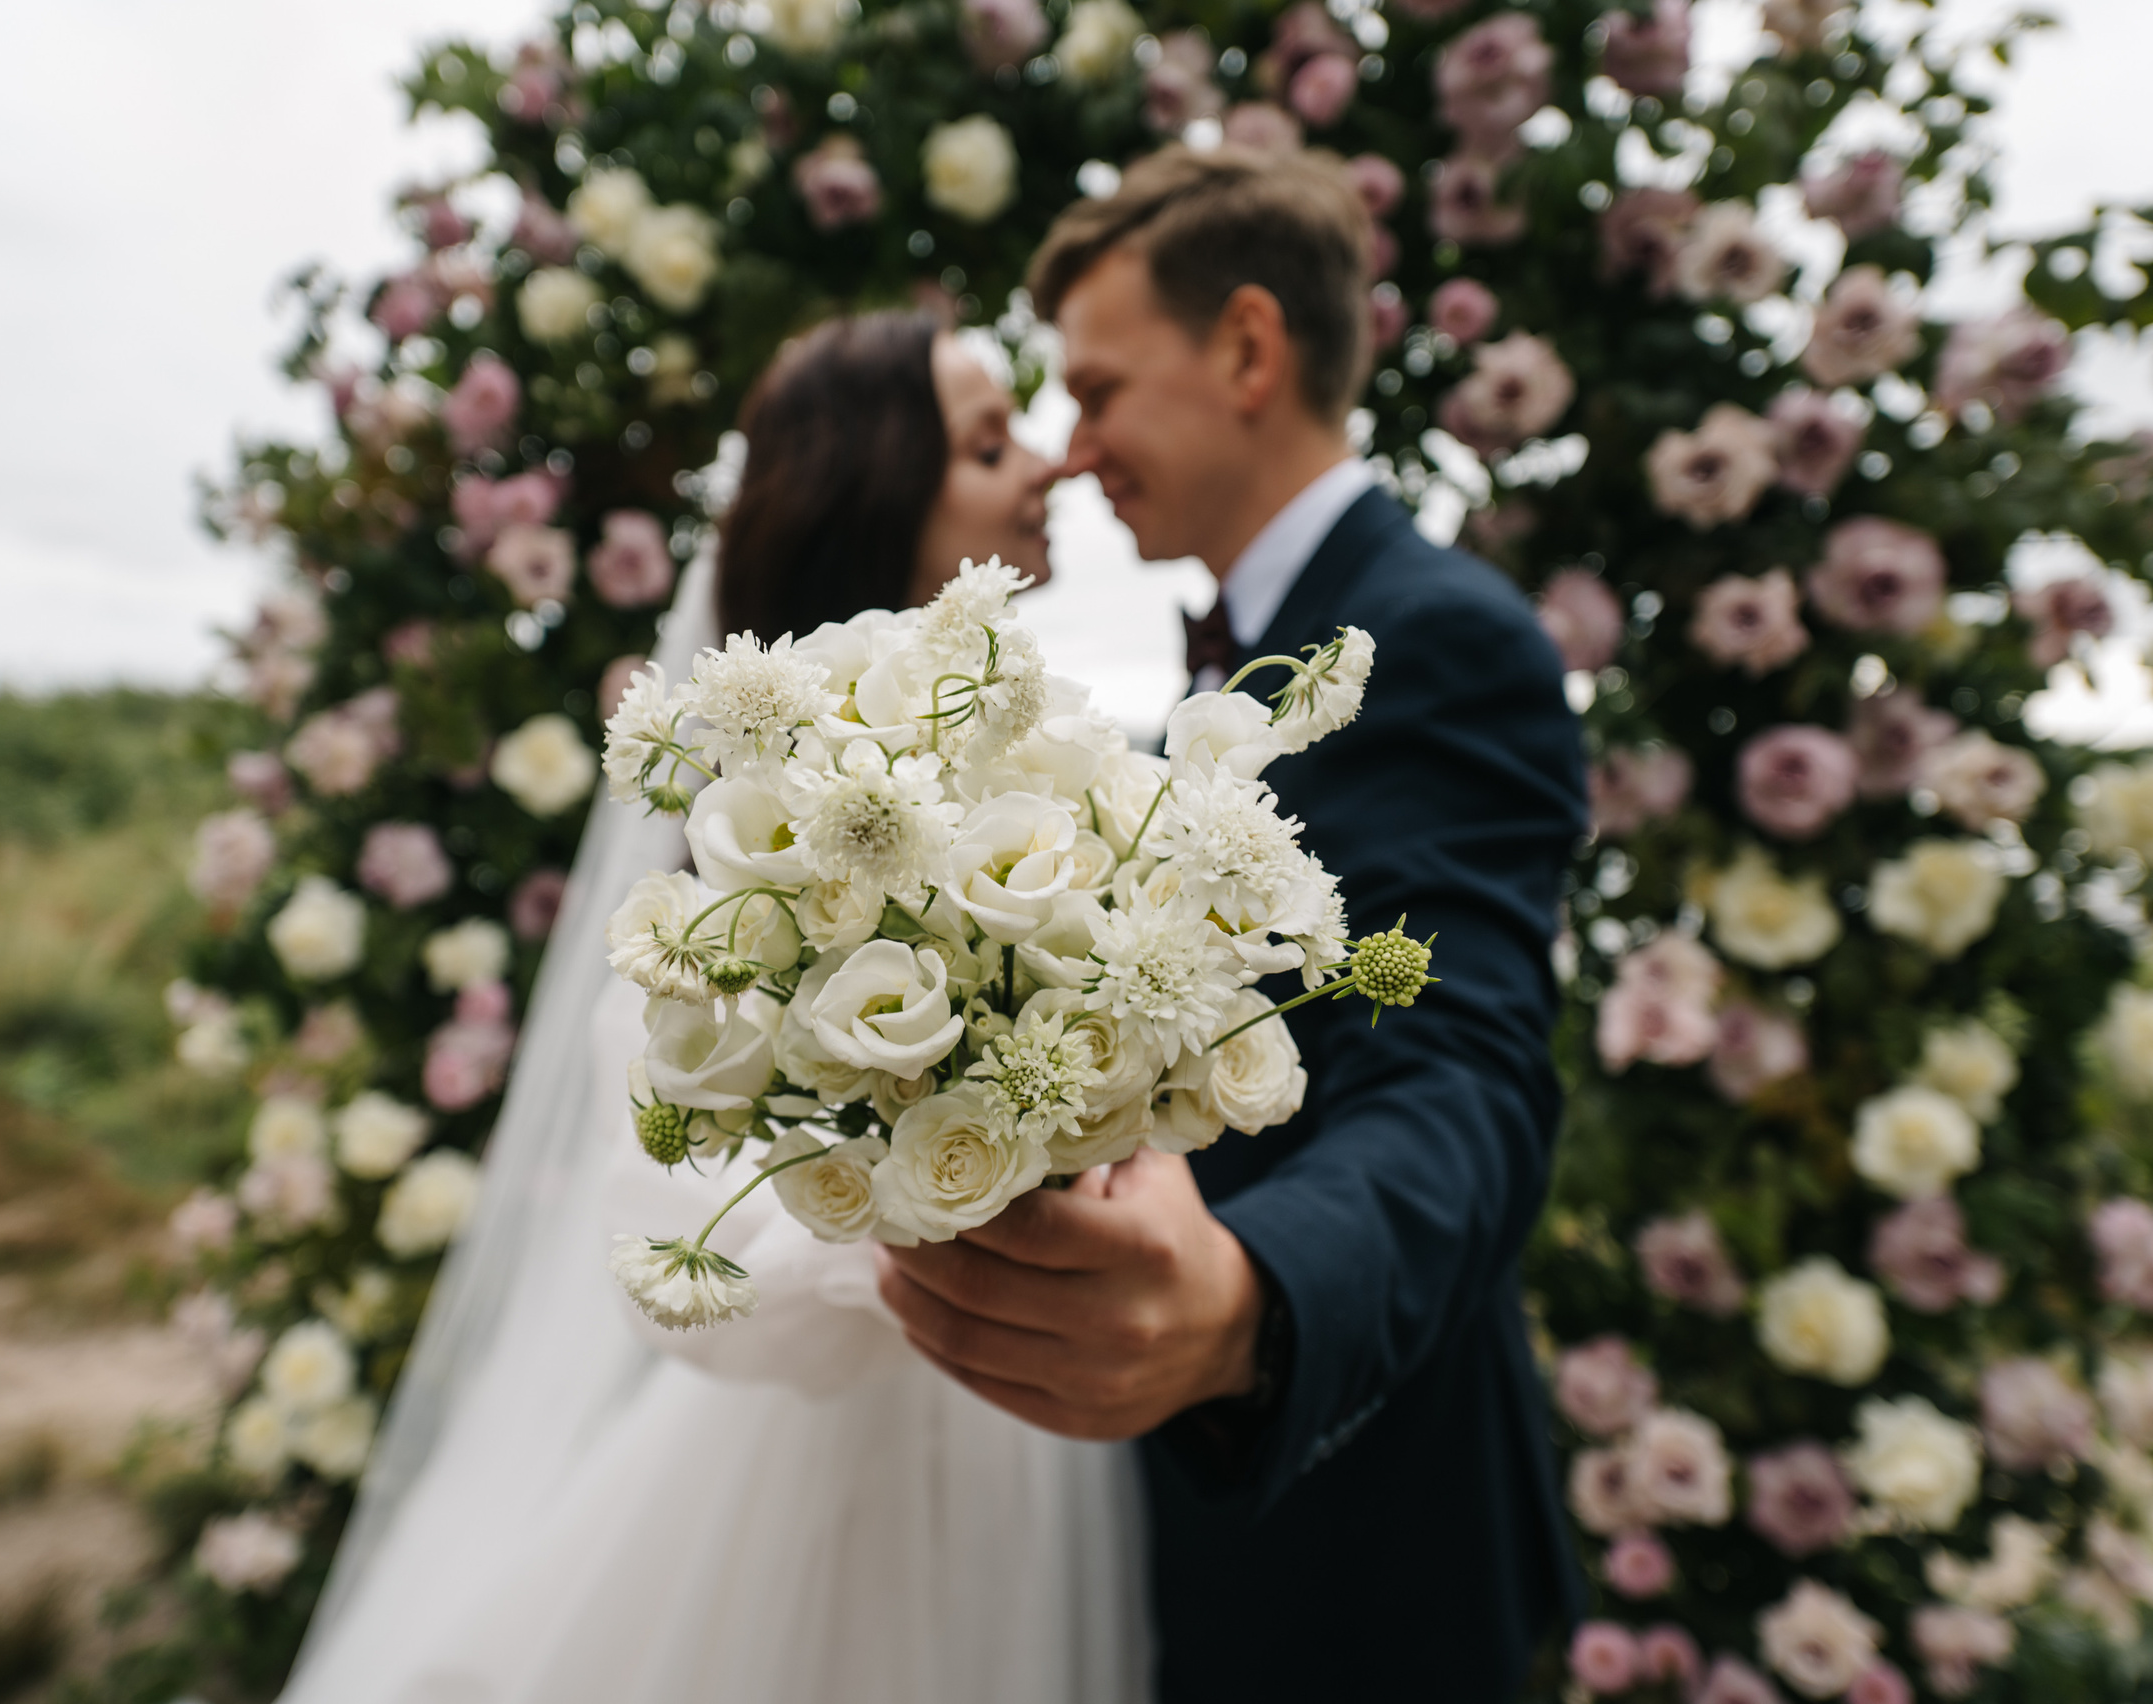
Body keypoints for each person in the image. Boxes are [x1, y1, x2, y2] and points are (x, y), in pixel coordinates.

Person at [277, 311, 1151, 1704]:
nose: (1045, 466)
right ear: (877, 496)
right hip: (830, 1496)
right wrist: (927, 1218)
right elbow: (684, 1257)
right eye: (991, 446)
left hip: (1034, 1447)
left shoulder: (1058, 794)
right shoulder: (742, 876)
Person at [872, 145, 1591, 1701]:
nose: (1074, 452)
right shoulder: (1213, 691)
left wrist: (1256, 1303)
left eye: (1099, 390)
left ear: (1250, 349)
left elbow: (1463, 1073)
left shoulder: (1439, 637)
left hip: (1368, 1558)